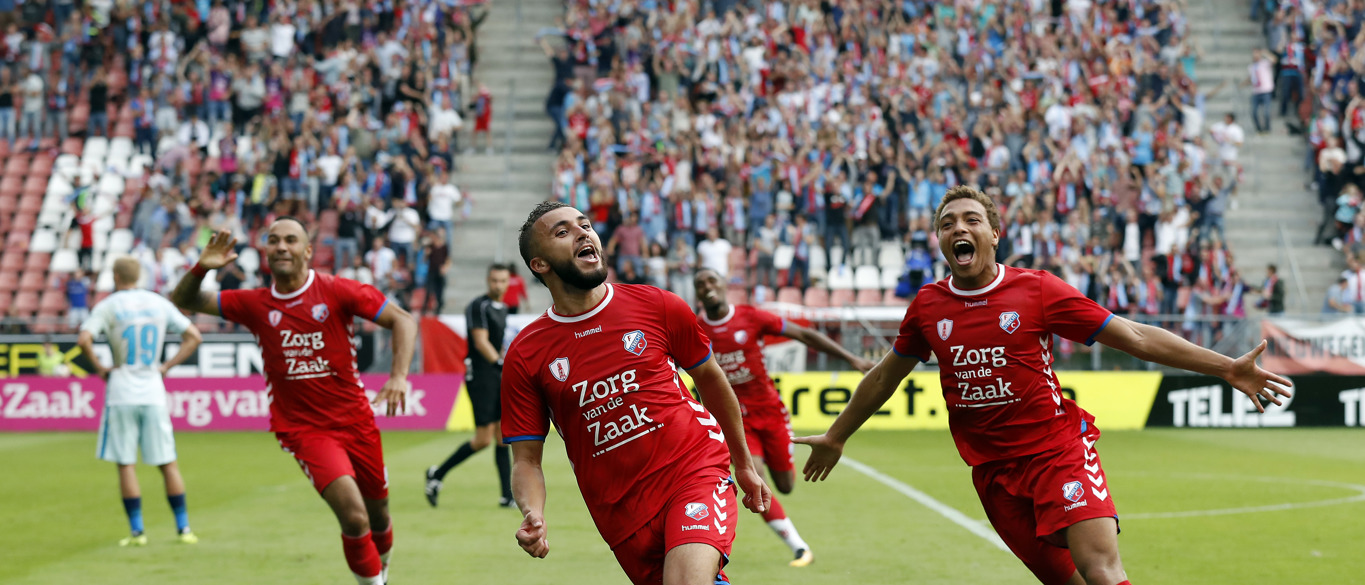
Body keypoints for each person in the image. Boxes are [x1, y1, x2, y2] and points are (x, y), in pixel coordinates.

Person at [796, 187, 1292, 585]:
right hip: (992, 473)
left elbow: (1135, 336)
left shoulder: (1036, 289)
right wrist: (837, 435)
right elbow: (886, 375)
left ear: (994, 234)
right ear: (940, 241)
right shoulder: (928, 306)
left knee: (1101, 572)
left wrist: (1226, 367)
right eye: (947, 224)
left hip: (1057, 451)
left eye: (971, 220)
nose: (958, 229)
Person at [502, 202, 771, 585]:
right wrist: (533, 512)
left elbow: (711, 380)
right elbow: (526, 459)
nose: (583, 233)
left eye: (584, 225)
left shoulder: (657, 305)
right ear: (539, 264)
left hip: (693, 471)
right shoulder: (526, 353)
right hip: (620, 513)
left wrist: (742, 463)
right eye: (562, 232)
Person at [169, 220, 418, 585]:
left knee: (378, 515)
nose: (282, 246)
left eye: (290, 240)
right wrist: (201, 268)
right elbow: (184, 300)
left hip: (357, 421)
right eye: (273, 241)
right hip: (305, 430)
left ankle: (381, 572)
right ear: (265, 252)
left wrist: (398, 376)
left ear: (307, 251)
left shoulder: (337, 290)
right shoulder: (254, 303)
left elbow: (404, 320)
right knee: (354, 517)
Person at [692, 267, 876, 567]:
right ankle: (800, 547)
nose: (707, 286)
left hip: (770, 413)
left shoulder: (751, 317)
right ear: (697, 293)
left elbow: (804, 334)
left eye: (711, 280)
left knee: (786, 485)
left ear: (724, 285)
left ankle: (773, 467)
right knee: (755, 481)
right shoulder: (696, 330)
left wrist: (852, 358)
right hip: (735, 421)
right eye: (700, 284)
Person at [77, 257, 204, 546]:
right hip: (152, 390)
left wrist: (100, 368)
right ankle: (184, 529)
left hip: (121, 390)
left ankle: (138, 532)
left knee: (126, 464)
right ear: (140, 276)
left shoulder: (109, 305)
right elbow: (194, 336)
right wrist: (166, 366)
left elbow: (83, 339)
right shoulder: (158, 303)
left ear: (116, 276)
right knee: (168, 463)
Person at [425, 264, 514, 508]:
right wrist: (500, 363)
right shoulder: (479, 306)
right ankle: (437, 474)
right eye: (494, 280)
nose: (498, 285)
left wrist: (505, 362)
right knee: (483, 439)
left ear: (508, 282)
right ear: (488, 281)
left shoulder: (503, 308)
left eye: (503, 281)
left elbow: (497, 343)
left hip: (496, 374)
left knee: (502, 436)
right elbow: (481, 342)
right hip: (481, 376)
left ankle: (507, 496)